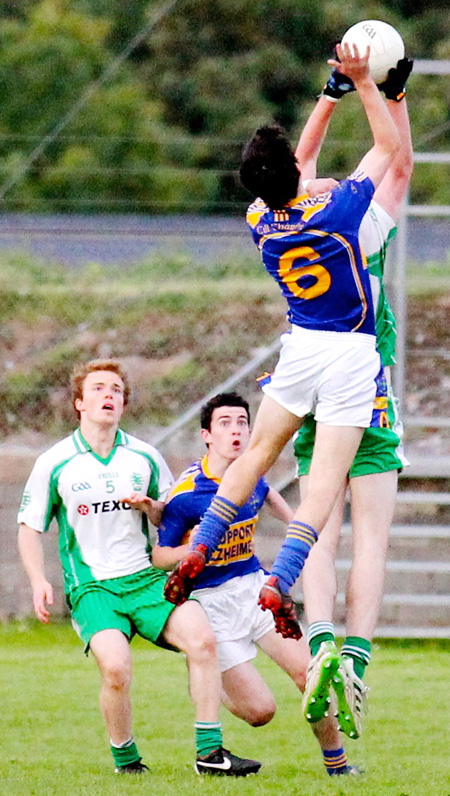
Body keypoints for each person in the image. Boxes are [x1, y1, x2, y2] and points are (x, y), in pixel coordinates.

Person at [164, 41, 401, 726]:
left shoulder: (261, 221)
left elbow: (298, 165)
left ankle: (203, 543)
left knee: (259, 457)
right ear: (297, 173)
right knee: (325, 484)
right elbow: (385, 149)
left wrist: (326, 97)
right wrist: (364, 84)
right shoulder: (336, 211)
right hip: (349, 354)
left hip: (296, 351)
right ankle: (281, 581)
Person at [17, 359, 260, 777]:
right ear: (79, 402)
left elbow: (172, 518)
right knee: (115, 668)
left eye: (115, 389)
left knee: (202, 641)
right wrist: (38, 580)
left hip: (146, 578)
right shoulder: (55, 462)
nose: (107, 395)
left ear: (124, 404)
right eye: (97, 389)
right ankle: (126, 761)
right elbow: (29, 527)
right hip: (94, 588)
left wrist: (152, 508)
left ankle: (209, 753)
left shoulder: (144, 456)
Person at [292, 56, 413, 738]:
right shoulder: (365, 225)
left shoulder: (293, 221)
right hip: (366, 386)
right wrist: (384, 89)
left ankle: (319, 648)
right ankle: (356, 663)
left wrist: (329, 95)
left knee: (318, 533)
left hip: (310, 387)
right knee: (371, 535)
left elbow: (303, 160)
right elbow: (397, 162)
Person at [153, 392, 360, 777]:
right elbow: (159, 557)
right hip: (212, 606)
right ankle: (205, 673)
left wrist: (318, 540)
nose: (236, 431)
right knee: (261, 712)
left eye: (242, 423)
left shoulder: (254, 476)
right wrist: (193, 548)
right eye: (225, 424)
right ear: (206, 435)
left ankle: (339, 766)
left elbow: (296, 519)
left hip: (254, 589)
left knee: (309, 675)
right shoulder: (185, 495)